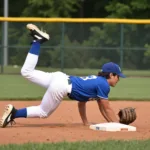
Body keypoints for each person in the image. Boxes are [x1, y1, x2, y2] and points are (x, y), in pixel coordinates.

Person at [0, 24, 126, 128]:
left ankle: (37, 41)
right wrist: (117, 125)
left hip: (59, 78)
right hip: (61, 86)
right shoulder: (104, 85)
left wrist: (86, 122)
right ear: (111, 74)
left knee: (27, 72)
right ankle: (14, 113)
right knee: (43, 112)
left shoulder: (96, 82)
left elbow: (83, 103)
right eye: (118, 76)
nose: (119, 79)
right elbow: (107, 108)